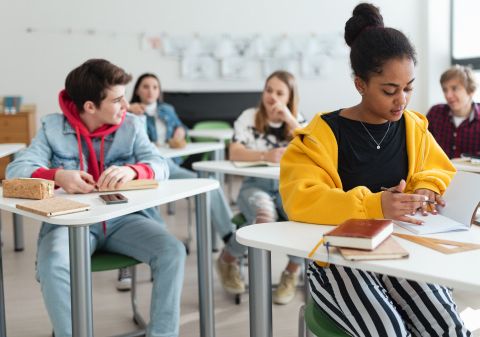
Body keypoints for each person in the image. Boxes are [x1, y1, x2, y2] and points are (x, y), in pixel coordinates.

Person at [279, 3, 471, 336]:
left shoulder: (413, 127)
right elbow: (300, 199)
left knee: (448, 328)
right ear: (360, 84)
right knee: (388, 331)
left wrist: (428, 186)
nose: (402, 101)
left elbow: (439, 170)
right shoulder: (322, 133)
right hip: (337, 257)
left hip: (403, 250)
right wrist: (375, 205)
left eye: (408, 88)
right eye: (389, 90)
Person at [6, 59, 186, 336]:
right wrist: (57, 176)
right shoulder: (53, 128)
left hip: (125, 220)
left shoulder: (132, 125)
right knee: (52, 265)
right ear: (90, 106)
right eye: (117, 100)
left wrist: (133, 170)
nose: (126, 106)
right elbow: (16, 170)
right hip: (69, 223)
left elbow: (160, 165)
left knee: (172, 251)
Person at [127, 73, 238, 287]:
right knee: (130, 208)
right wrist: (128, 112)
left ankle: (229, 238)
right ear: (138, 90)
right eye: (146, 86)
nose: (151, 90)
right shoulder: (127, 111)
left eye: (155, 87)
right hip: (141, 170)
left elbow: (181, 129)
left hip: (169, 167)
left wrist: (180, 130)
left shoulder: (167, 110)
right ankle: (126, 270)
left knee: (210, 184)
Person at [217, 70, 305, 305]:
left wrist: (290, 119)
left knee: (303, 221)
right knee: (265, 218)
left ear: (289, 97)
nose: (272, 97)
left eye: (279, 93)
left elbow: (312, 151)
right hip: (253, 185)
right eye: (269, 90)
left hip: (287, 187)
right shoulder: (249, 116)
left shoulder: (298, 120)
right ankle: (227, 259)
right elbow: (234, 151)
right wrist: (267, 154)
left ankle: (292, 271)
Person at [426, 65, 480, 206]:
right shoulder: (435, 113)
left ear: (471, 91)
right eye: (445, 89)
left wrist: (477, 157)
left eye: (454, 88)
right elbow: (422, 143)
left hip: (476, 178)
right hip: (442, 175)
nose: (448, 95)